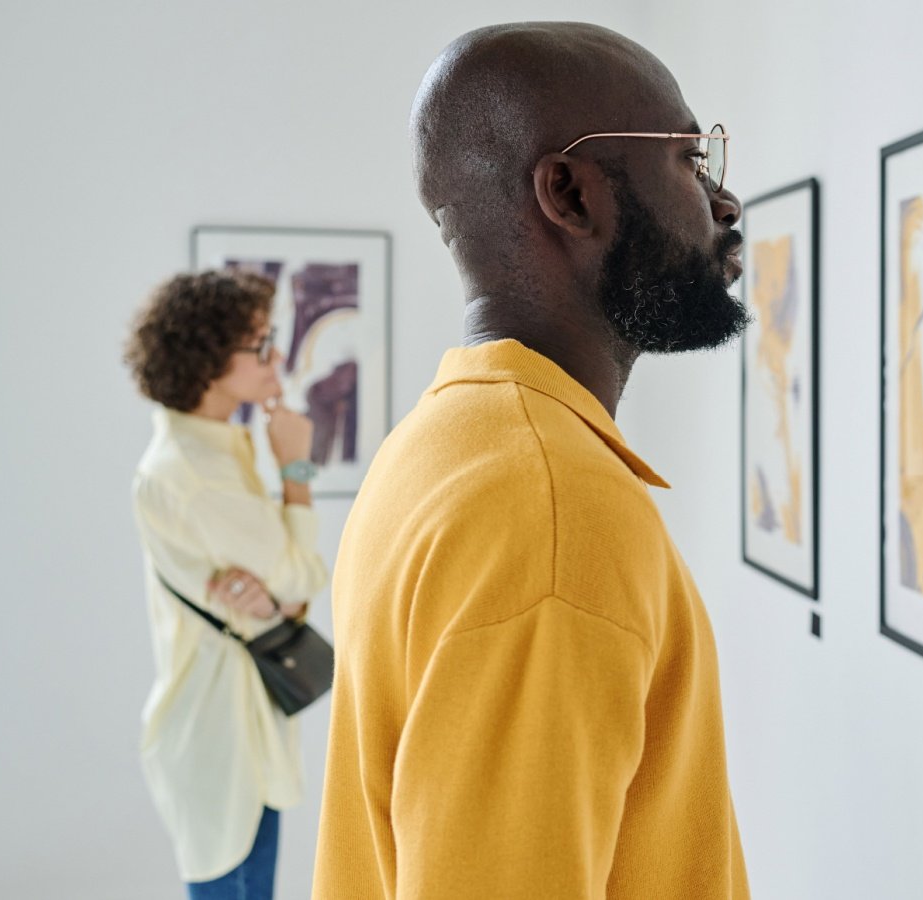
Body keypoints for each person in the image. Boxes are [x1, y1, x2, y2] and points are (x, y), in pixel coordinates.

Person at [313, 22, 750, 899]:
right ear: (571, 194)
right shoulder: (551, 510)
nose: (723, 203)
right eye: (690, 161)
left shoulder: (443, 443)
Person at [125, 270, 330, 899]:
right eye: (260, 344)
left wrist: (281, 596)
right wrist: (295, 466)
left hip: (237, 727)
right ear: (209, 359)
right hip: (220, 735)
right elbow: (303, 576)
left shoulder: (212, 451)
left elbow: (288, 593)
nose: (276, 359)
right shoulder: (198, 471)